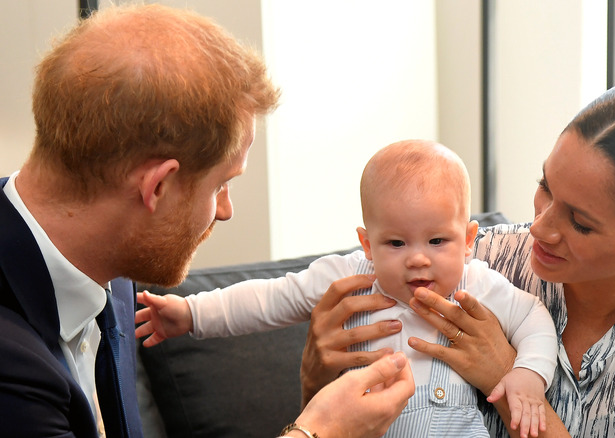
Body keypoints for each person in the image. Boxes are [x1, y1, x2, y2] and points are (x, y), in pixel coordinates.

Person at [0, 4, 413, 438]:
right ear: (157, 187)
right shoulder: (12, 367)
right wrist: (318, 432)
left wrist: (314, 395)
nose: (225, 210)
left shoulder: (112, 272)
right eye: (220, 185)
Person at [298, 81, 615, 437]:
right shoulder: (466, 259)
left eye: (580, 222)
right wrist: (317, 373)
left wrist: (507, 376)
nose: (540, 227)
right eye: (545, 186)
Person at [135, 139, 558, 438]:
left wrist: (527, 375)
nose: (417, 258)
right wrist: (191, 314)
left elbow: (534, 318)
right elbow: (269, 298)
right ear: (366, 243)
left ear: (468, 240)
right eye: (395, 243)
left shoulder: (477, 282)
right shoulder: (347, 277)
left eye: (437, 241)